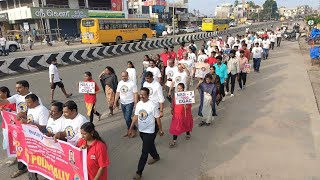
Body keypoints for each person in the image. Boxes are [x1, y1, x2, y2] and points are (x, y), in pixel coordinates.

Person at [0, 80, 41, 178]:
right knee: (20, 146)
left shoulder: (34, 97)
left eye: (19, 87)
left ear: (26, 88)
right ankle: (22, 167)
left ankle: (36, 167)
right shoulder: (16, 97)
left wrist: (25, 114)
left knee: (32, 148)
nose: (17, 89)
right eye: (16, 88)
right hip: (19, 127)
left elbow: (38, 111)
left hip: (30, 127)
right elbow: (4, 102)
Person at [128, 88, 164, 180]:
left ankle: (139, 172)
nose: (142, 96)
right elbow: (136, 116)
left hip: (150, 131)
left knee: (144, 152)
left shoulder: (152, 105)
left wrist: (160, 129)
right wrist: (131, 127)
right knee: (150, 145)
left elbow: (157, 119)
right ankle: (156, 157)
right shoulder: (139, 104)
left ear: (148, 95)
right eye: (141, 94)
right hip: (142, 131)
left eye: (144, 94)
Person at [19, 94, 49, 180]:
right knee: (32, 161)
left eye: (29, 103)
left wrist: (28, 123)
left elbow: (44, 127)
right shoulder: (31, 109)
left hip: (40, 140)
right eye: (26, 103)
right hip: (31, 139)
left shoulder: (42, 110)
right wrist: (23, 116)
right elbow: (31, 119)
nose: (27, 105)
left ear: (36, 101)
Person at [114, 71, 138, 138]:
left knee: (127, 118)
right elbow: (117, 92)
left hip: (130, 103)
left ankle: (131, 130)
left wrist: (136, 103)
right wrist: (115, 102)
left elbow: (135, 94)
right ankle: (133, 127)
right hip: (122, 103)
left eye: (125, 76)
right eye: (122, 76)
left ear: (127, 76)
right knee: (126, 118)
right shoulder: (120, 83)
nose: (123, 77)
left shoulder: (132, 83)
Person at [169, 83, 193, 148]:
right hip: (177, 114)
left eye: (181, 88)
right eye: (178, 88)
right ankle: (174, 141)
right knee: (175, 127)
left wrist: (187, 106)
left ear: (183, 88)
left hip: (185, 114)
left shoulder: (187, 95)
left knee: (186, 124)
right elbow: (173, 103)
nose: (179, 90)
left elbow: (190, 105)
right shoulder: (175, 96)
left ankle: (188, 133)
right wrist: (172, 109)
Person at [0, 87, 16, 152]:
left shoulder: (12, 101)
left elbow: (16, 112)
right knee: (7, 141)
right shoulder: (1, 102)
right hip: (5, 125)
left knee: (14, 141)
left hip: (13, 125)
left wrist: (6, 110)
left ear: (5, 93)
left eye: (0, 93)